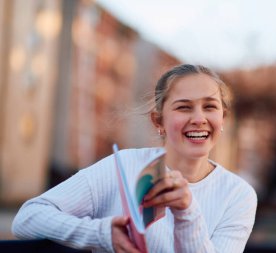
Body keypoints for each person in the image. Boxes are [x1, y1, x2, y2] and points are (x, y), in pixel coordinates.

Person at [12, 64, 258, 253]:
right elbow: (28, 217)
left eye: (210, 107)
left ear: (223, 119)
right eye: (183, 107)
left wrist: (187, 212)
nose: (198, 118)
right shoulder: (125, 165)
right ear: (158, 121)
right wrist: (101, 233)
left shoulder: (238, 195)